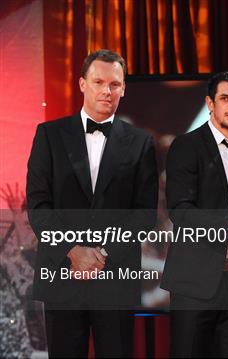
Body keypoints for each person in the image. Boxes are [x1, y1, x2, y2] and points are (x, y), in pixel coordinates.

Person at [26, 49, 158, 357]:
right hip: (61, 275)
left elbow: (145, 215)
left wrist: (102, 255)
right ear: (82, 84)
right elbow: (38, 205)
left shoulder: (141, 142)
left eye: (115, 84)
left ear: (123, 88)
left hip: (115, 278)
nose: (106, 90)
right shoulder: (48, 135)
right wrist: (72, 251)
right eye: (99, 81)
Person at [161, 71, 228, 358]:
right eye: (224, 98)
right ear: (210, 103)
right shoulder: (186, 146)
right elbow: (180, 211)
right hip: (195, 280)